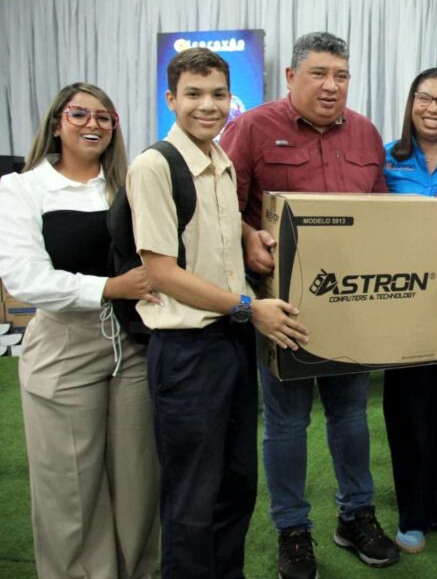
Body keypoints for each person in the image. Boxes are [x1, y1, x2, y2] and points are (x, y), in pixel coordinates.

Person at [219, 31, 397, 578]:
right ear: (292, 77)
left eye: (341, 75)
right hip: (282, 309)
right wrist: (248, 233)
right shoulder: (251, 128)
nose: (331, 85)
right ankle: (293, 530)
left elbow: (382, 213)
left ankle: (356, 515)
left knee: (350, 414)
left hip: (349, 305)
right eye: (318, 73)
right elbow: (221, 206)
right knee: (287, 423)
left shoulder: (366, 133)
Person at [128, 48, 307, 578]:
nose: (208, 106)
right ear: (171, 99)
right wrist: (250, 308)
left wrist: (251, 234)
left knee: (235, 484)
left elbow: (218, 237)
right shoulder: (155, 166)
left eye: (217, 95)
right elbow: (160, 271)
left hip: (230, 343)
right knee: (190, 497)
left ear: (231, 98)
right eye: (194, 94)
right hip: (186, 352)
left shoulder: (222, 162)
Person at [0, 83, 160, 578]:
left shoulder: (129, 185)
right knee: (69, 486)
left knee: (138, 481)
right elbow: (25, 279)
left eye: (104, 118)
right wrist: (112, 286)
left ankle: (135, 571)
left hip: (132, 346)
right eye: (80, 114)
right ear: (56, 122)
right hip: (65, 345)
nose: (93, 124)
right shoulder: (22, 188)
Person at [381, 68, 437, 553]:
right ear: (411, 103)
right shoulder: (387, 162)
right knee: (408, 411)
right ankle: (414, 511)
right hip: (403, 304)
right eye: (424, 98)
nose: (433, 108)